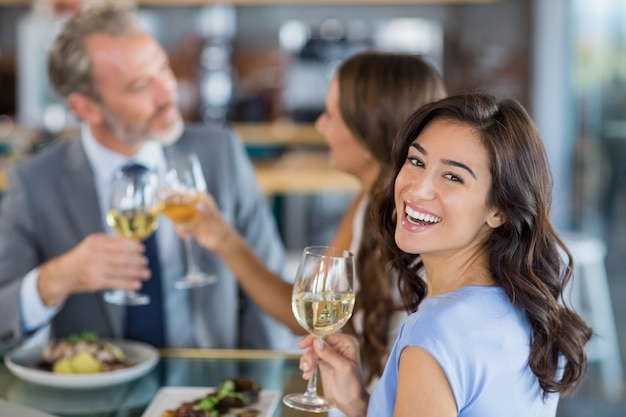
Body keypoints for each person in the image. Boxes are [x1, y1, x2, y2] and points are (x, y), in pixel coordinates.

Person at [0, 3, 294, 353]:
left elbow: (271, 298)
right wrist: (54, 279)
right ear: (86, 108)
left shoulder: (221, 153)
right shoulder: (33, 183)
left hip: (207, 389)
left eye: (163, 68)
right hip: (97, 392)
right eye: (141, 85)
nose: (167, 93)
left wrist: (256, 387)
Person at [297, 93, 592, 416]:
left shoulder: (435, 333)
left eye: (453, 177)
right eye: (416, 161)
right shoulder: (527, 312)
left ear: (499, 210)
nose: (418, 189)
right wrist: (358, 403)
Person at [183, 51, 447, 384]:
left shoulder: (415, 230)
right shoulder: (368, 203)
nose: (320, 126)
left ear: (369, 130)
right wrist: (224, 240)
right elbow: (314, 312)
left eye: (332, 116)